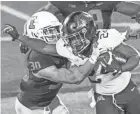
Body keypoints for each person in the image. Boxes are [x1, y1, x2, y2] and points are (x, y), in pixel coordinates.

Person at [3, 11, 104, 114]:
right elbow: (73, 77)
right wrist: (93, 57)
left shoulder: (58, 46)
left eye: (56, 30)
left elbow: (47, 47)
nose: (55, 35)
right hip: (31, 107)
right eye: (49, 32)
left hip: (49, 99)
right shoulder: (37, 59)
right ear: (35, 35)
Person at [56, 11, 140, 114]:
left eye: (77, 38)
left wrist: (119, 69)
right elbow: (75, 75)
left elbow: (134, 56)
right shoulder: (65, 48)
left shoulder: (106, 39)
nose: (74, 43)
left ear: (89, 32)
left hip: (128, 89)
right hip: (103, 96)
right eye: (71, 39)